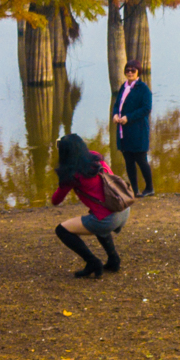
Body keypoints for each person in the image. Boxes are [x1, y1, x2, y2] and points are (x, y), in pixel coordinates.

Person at [50, 134, 129, 278]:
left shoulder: (72, 173)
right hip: (123, 208)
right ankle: (114, 260)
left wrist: (61, 180)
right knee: (96, 216)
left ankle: (92, 262)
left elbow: (56, 200)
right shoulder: (97, 159)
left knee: (61, 230)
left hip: (108, 219)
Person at [111, 59, 153, 198]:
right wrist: (116, 114)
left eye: (132, 70)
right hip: (124, 131)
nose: (129, 73)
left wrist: (128, 117)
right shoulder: (124, 86)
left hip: (138, 131)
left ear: (138, 72)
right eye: (127, 70)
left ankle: (149, 188)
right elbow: (117, 104)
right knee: (128, 160)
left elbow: (146, 109)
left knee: (141, 160)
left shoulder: (143, 89)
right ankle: (134, 190)